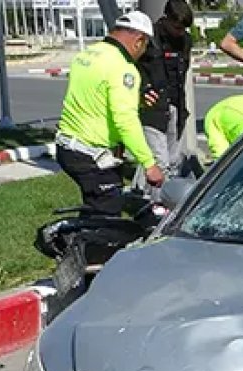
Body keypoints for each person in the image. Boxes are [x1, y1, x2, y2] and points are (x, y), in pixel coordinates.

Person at [55, 11, 163, 217]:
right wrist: (149, 164)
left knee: (96, 208)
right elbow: (125, 120)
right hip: (89, 153)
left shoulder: (86, 55)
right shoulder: (124, 68)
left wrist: (136, 101)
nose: (144, 52)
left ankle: (79, 244)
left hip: (68, 146)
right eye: (147, 46)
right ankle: (88, 248)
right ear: (139, 41)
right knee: (107, 212)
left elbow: (95, 99)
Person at [131, 0, 195, 192]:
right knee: (160, 161)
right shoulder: (147, 38)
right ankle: (158, 205)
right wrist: (142, 90)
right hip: (153, 108)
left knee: (174, 161)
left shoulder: (186, 40)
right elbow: (128, 66)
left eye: (184, 28)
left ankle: (141, 192)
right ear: (166, 19)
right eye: (177, 27)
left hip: (176, 105)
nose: (180, 32)